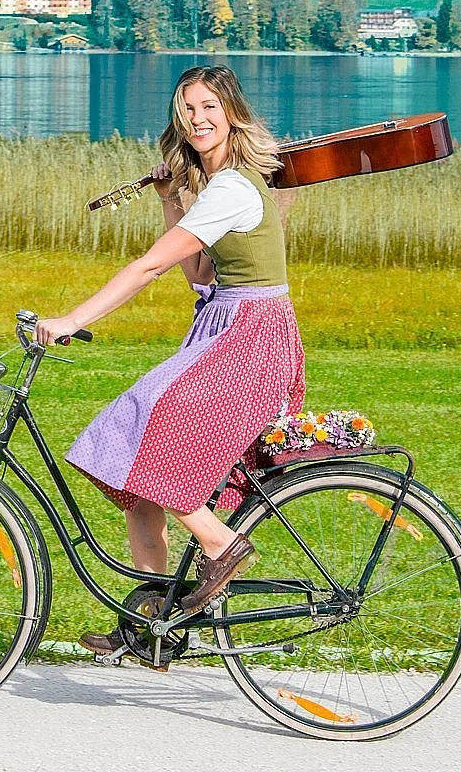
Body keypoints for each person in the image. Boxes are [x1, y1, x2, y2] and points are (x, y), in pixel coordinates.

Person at [36, 64, 304, 658]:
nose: (198, 119)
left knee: (146, 431)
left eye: (209, 106)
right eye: (187, 110)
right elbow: (200, 275)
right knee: (137, 479)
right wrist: (168, 201)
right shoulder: (216, 192)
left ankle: (221, 545)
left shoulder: (234, 188)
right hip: (224, 325)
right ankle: (153, 621)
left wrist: (69, 321)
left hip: (250, 336)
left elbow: (149, 268)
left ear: (231, 111)